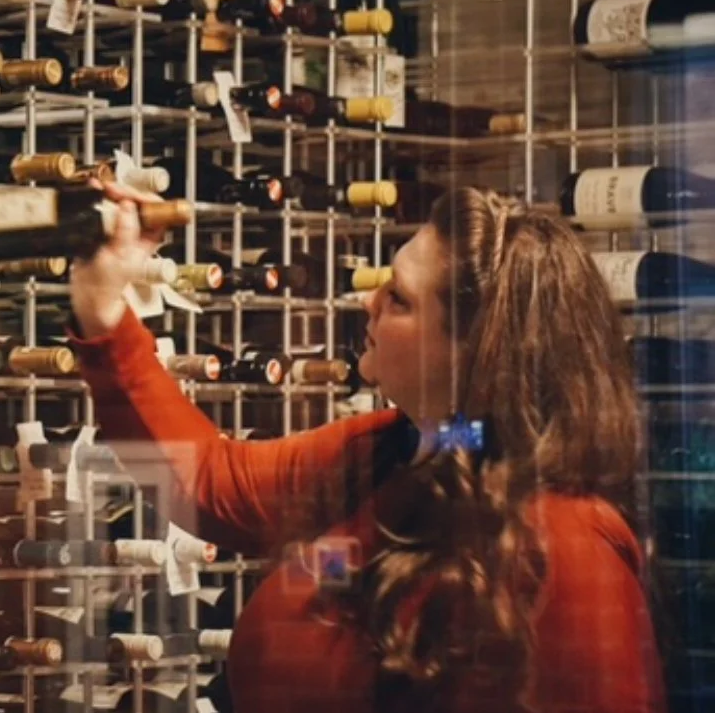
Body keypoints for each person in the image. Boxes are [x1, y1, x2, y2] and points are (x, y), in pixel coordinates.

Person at [65, 183, 666, 713]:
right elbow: (208, 484)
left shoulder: (565, 547)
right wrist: (104, 310)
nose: (366, 302)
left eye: (398, 299)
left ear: (476, 357)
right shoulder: (407, 451)